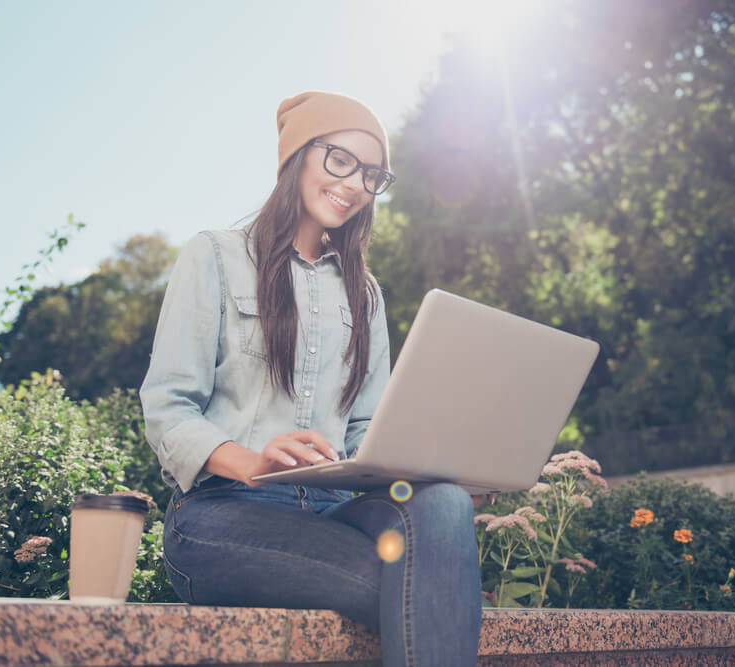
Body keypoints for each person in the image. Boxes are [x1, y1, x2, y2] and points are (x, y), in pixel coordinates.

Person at [139, 91, 482, 666]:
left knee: (444, 504)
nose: (354, 184)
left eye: (372, 174)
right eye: (340, 160)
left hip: (329, 511)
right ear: (298, 155)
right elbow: (168, 407)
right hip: (222, 514)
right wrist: (252, 462)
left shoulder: (364, 294)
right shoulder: (216, 256)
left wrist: (438, 469)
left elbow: (368, 433)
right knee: (424, 588)